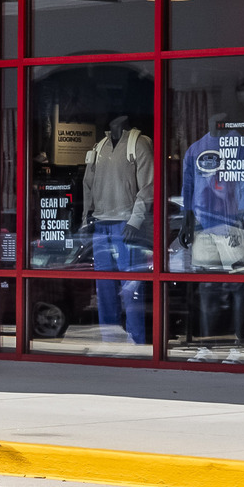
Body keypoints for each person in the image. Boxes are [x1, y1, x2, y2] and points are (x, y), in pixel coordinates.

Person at [84, 114, 152, 343]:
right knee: (104, 288)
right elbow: (88, 184)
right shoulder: (99, 146)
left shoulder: (139, 143)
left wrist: (135, 220)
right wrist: (87, 218)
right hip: (101, 223)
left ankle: (136, 338)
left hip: (125, 224)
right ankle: (109, 337)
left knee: (131, 288)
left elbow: (148, 186)